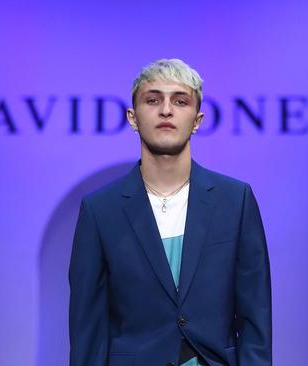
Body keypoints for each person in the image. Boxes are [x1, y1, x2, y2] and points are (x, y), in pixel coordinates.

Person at [69, 59, 272, 366]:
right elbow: (88, 329)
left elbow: (255, 317)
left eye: (180, 100)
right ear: (133, 117)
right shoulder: (100, 210)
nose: (166, 110)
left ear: (197, 119)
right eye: (153, 100)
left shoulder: (235, 201)